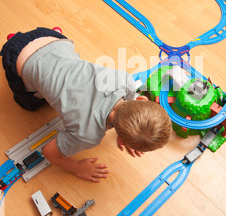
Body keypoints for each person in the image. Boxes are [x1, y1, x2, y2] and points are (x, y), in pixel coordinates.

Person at [0, 28, 172, 182]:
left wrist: (128, 126)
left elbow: (127, 101)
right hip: (17, 55)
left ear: (142, 100)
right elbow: (49, 152)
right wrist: (77, 168)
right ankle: (11, 42)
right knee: (31, 105)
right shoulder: (88, 135)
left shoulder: (125, 81)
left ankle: (35, 36)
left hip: (53, 39)